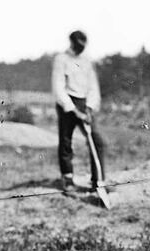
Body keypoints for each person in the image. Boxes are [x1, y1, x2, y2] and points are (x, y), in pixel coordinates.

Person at [51, 30, 108, 191]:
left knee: (97, 141)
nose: (80, 48)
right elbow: (58, 87)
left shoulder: (87, 61)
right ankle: (68, 179)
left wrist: (89, 108)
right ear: (71, 43)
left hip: (85, 103)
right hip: (67, 103)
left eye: (83, 45)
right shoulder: (61, 59)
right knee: (66, 141)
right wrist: (73, 110)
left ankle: (98, 181)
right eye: (77, 45)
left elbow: (93, 87)